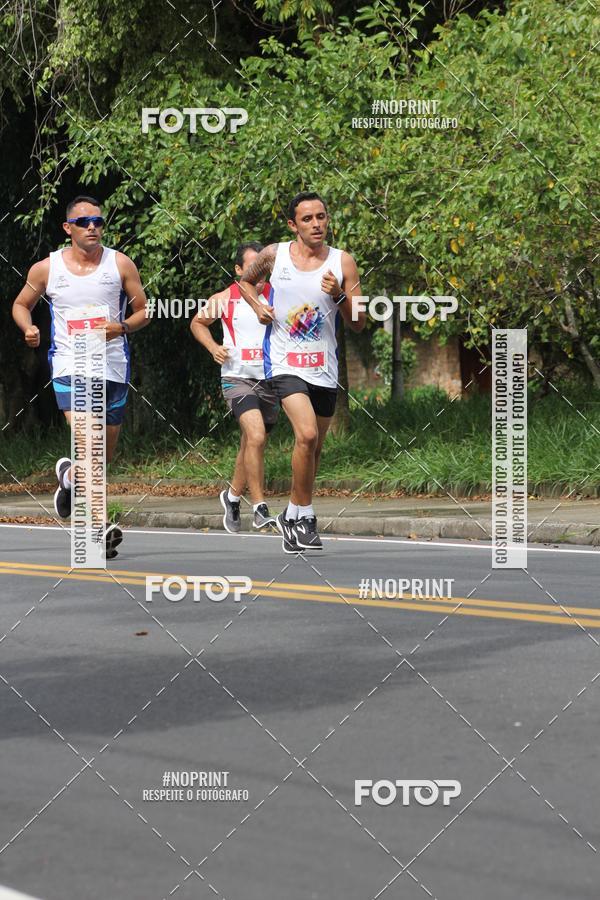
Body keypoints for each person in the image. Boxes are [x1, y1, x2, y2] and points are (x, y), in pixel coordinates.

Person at [12, 195, 149, 557]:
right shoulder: (47, 268)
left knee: (102, 455)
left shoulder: (119, 264)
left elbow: (143, 311)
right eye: (84, 222)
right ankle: (97, 528)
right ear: (67, 228)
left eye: (98, 222)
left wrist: (120, 327)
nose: (92, 227)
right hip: (70, 366)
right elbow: (21, 304)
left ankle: (70, 478)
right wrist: (28, 328)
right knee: (91, 446)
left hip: (113, 367)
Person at [238, 191, 367, 553]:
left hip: (324, 367)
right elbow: (245, 282)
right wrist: (258, 305)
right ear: (293, 225)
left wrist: (339, 294)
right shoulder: (274, 255)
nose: (316, 224)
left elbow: (359, 322)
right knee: (306, 434)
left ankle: (292, 513)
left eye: (321, 217)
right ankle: (307, 517)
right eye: (307, 219)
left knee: (314, 448)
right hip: (284, 363)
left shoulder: (343, 262)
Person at [190, 242, 279, 534]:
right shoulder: (225, 298)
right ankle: (260, 509)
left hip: (270, 380)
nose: (259, 273)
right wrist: (213, 347)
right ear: (239, 270)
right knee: (256, 435)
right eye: (252, 267)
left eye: (263, 267)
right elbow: (198, 323)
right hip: (237, 379)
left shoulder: (277, 295)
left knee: (250, 443)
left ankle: (231, 497)